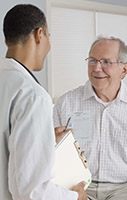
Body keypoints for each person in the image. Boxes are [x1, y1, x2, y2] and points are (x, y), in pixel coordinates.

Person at [53, 36, 127, 200]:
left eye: (106, 62)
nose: (97, 68)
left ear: (124, 70)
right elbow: (47, 155)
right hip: (76, 187)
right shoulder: (65, 103)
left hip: (123, 189)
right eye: (92, 60)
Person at [0, 4, 87, 200]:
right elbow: (31, 191)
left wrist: (44, 138)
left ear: (6, 40)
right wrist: (75, 197)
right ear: (40, 34)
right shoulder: (33, 95)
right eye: (49, 36)